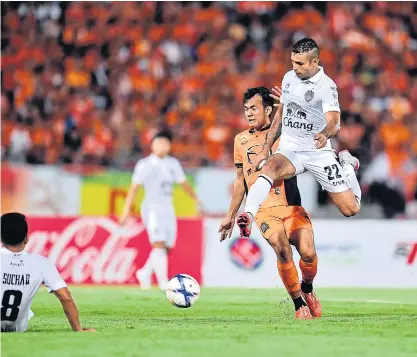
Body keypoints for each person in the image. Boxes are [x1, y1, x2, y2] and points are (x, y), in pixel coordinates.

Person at [235, 38, 362, 238]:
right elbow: (280, 115)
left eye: (300, 63)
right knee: (270, 168)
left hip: (317, 152)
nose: (294, 67)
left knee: (350, 209)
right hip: (290, 148)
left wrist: (324, 133)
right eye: (293, 62)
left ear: (314, 62)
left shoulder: (326, 87)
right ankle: (248, 216)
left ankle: (346, 164)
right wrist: (266, 148)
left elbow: (334, 121)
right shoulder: (288, 78)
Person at [219, 87, 321, 320]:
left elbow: (301, 120)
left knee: (308, 253)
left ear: (268, 109)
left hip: (291, 205)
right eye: (246, 109)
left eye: (253, 108)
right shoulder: (241, 140)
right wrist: (230, 215)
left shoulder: (285, 135)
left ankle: (307, 289)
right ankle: (298, 305)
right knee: (282, 250)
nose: (249, 113)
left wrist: (289, 102)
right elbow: (240, 180)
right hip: (263, 210)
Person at [120, 131, 200, 290]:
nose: (162, 146)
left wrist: (197, 200)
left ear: (170, 146)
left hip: (168, 209)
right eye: (159, 143)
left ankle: (144, 272)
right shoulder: (145, 164)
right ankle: (164, 282)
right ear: (152, 145)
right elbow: (134, 188)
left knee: (167, 247)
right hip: (152, 209)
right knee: (159, 244)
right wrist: (126, 210)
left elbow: (184, 184)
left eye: (165, 143)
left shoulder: (173, 164)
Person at [1, 212, 95, 333]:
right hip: (17, 330)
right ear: (26, 238)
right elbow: (66, 298)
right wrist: (79, 330)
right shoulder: (41, 263)